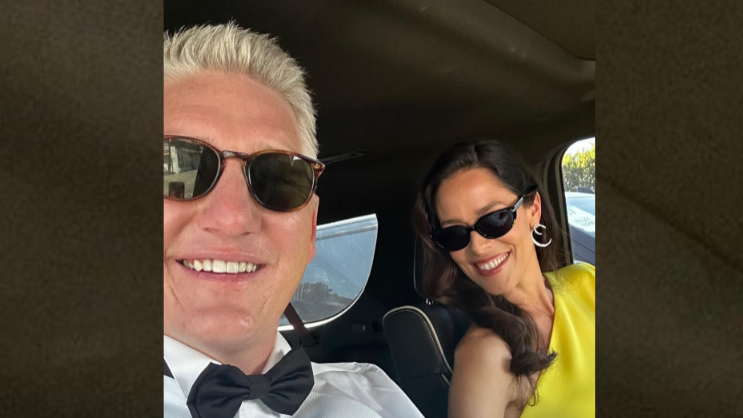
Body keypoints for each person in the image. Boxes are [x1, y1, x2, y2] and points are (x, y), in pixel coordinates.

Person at [163, 23, 424, 418]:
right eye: (176, 170)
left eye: (278, 179)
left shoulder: (375, 396)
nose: (233, 217)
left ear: (311, 230)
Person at [413, 140, 595, 418]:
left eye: (495, 219)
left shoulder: (586, 280)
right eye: (454, 234)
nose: (477, 247)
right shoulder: (485, 354)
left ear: (533, 211)